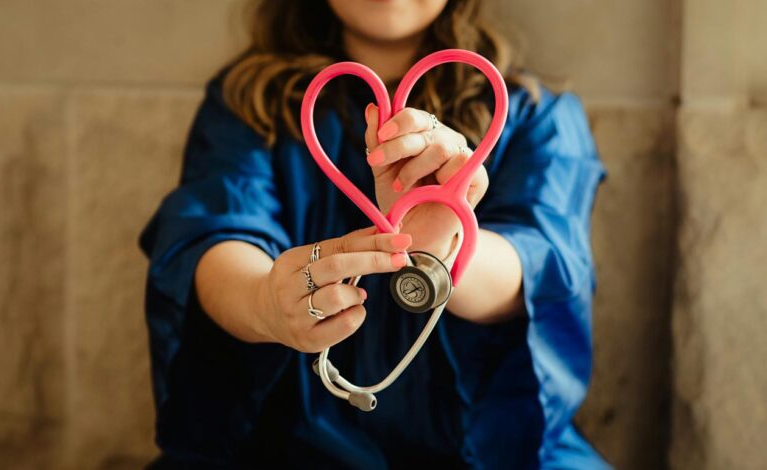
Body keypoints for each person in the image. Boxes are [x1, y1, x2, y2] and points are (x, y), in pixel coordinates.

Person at [139, 0, 610, 468]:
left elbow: (541, 264)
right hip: (281, 442)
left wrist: (439, 249)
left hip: (490, 447)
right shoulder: (246, 102)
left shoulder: (536, 115)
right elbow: (212, 233)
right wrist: (265, 304)